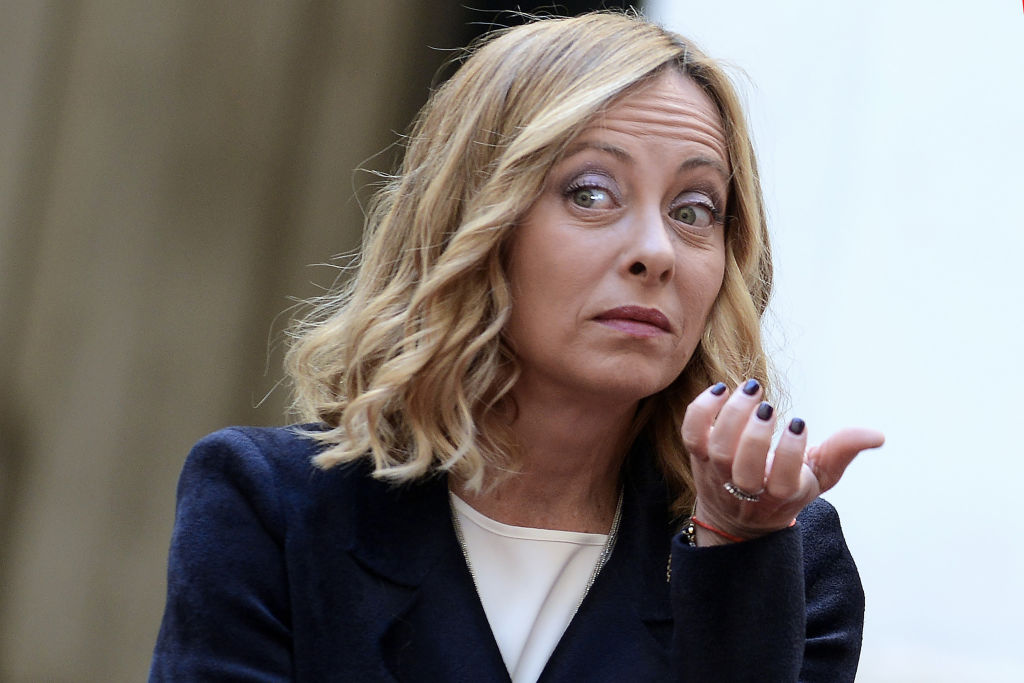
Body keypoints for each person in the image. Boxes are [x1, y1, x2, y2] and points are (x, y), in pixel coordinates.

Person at [150, 11, 884, 682]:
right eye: (591, 192)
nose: (657, 252)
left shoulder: (787, 557)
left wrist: (733, 551)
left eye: (694, 210)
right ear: (476, 221)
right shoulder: (271, 507)